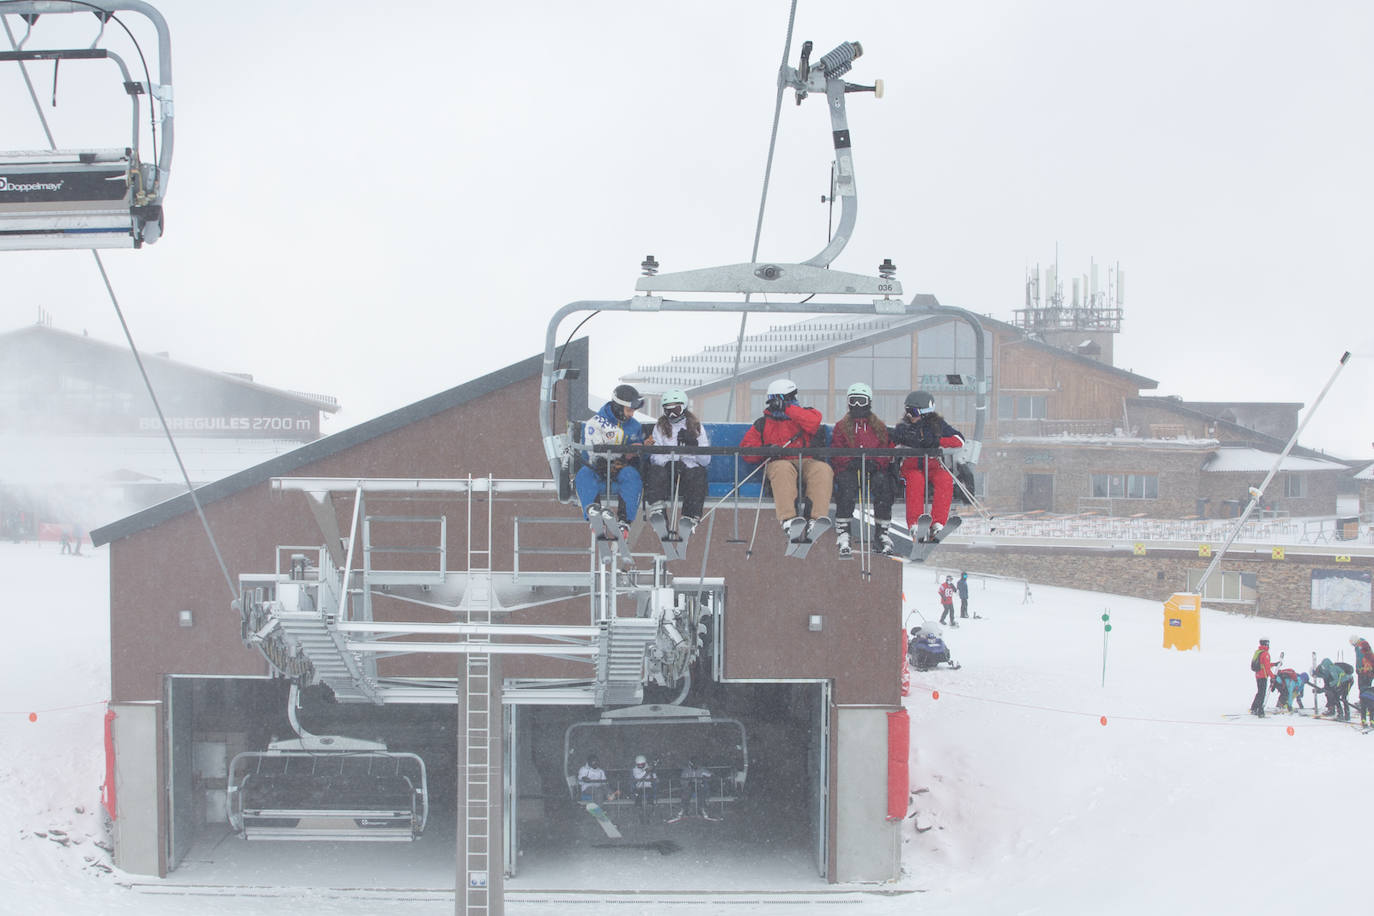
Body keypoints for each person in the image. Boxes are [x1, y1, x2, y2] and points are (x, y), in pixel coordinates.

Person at [739, 378, 833, 542]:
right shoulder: (763, 423)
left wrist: (788, 409)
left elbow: (813, 423)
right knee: (782, 469)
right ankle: (789, 519)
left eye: (792, 398)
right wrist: (767, 450)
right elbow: (746, 451)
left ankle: (816, 519)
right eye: (787, 399)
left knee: (822, 469)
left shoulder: (804, 415)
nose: (792, 401)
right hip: (779, 461)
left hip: (806, 460)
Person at [830, 382, 896, 556]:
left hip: (873, 467)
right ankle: (844, 530)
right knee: (847, 485)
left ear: (868, 402)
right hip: (850, 468)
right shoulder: (842, 426)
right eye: (853, 401)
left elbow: (886, 449)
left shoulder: (878, 426)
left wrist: (877, 462)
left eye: (861, 401)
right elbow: (836, 450)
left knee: (882, 483)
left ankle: (882, 532)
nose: (857, 405)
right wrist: (848, 461)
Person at [890, 390, 965, 541]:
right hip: (911, 466)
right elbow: (891, 445)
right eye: (907, 411)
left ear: (925, 412)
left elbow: (959, 440)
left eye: (913, 411)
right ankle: (915, 523)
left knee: (944, 479)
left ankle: (938, 522)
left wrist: (938, 443)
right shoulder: (904, 427)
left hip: (932, 466)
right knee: (916, 481)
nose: (910, 416)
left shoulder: (937, 426)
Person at [576, 385, 646, 537]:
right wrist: (608, 457)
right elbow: (593, 450)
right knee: (584, 475)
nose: (631, 414)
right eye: (629, 410)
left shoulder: (634, 426)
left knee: (632, 476)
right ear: (619, 407)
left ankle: (624, 521)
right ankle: (595, 515)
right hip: (597, 466)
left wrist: (635, 453)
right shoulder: (596, 423)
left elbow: (638, 448)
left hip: (622, 467)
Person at [643, 389, 710, 537]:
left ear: (684, 407)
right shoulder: (660, 427)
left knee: (698, 474)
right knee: (655, 470)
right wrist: (671, 460)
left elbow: (705, 461)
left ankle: (690, 516)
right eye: (668, 410)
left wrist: (693, 447)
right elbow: (656, 455)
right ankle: (658, 510)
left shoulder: (696, 427)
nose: (672, 414)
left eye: (676, 409)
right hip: (668, 469)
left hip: (689, 469)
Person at [1249, 638, 1274, 717]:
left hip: (1258, 675)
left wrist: (1274, 664)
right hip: (1263, 676)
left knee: (1259, 692)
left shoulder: (1258, 652)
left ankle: (1254, 708)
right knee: (1262, 693)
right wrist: (1272, 676)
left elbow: (1264, 664)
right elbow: (1267, 667)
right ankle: (1260, 711)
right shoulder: (1265, 653)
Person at [630, 753, 657, 822]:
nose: (641, 766)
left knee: (650, 801)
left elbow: (655, 777)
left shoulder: (649, 767)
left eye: (642, 764)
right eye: (639, 765)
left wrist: (652, 772)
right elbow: (638, 777)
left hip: (648, 787)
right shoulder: (635, 769)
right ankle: (641, 816)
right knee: (638, 801)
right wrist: (646, 771)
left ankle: (648, 816)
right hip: (639, 788)